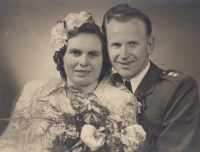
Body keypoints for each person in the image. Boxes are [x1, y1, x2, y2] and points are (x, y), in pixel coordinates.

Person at [0, 11, 145, 152]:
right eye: (75, 53)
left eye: (93, 54)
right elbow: (10, 145)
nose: (83, 62)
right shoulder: (35, 91)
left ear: (103, 60)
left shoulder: (120, 101)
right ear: (62, 58)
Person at [102, 3, 200, 152]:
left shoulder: (178, 88)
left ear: (150, 45)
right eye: (115, 44)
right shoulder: (103, 88)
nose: (123, 54)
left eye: (132, 44)